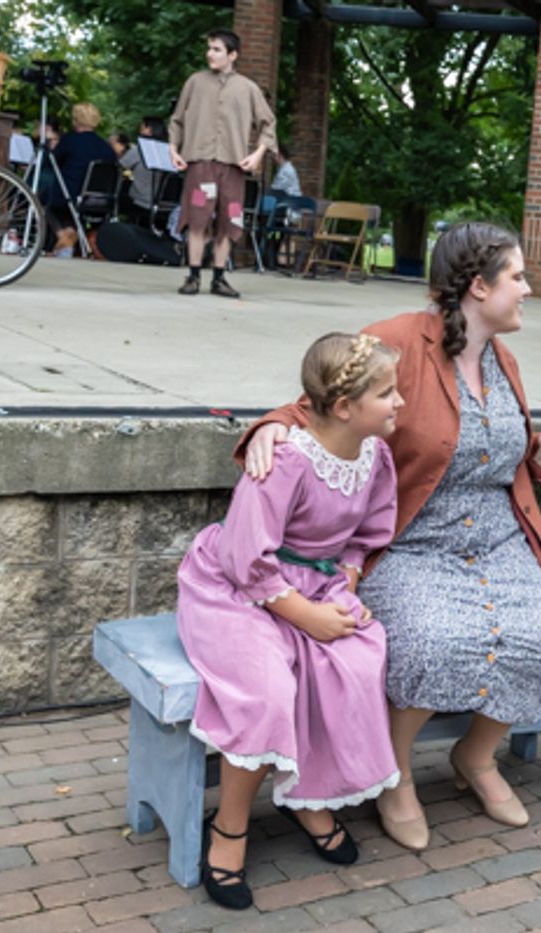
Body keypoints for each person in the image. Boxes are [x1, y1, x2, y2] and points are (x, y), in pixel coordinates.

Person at [238, 222, 541, 850]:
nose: (528, 288)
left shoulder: (506, 360)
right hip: (412, 537)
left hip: (499, 540)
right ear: (478, 286)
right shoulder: (394, 342)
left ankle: (475, 758)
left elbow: (498, 454)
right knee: (432, 641)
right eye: (518, 277)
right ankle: (392, 776)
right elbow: (319, 400)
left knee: (537, 637)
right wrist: (268, 426)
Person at [177, 332, 404, 910]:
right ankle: (229, 828)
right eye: (388, 392)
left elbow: (364, 535)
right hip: (238, 588)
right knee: (268, 689)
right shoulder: (284, 460)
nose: (401, 402)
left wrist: (344, 587)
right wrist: (305, 614)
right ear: (345, 408)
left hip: (315, 584)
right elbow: (244, 556)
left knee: (356, 661)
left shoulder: (374, 454)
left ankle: (308, 795)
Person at [168, 28, 276, 298]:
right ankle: (193, 275)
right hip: (200, 161)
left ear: (232, 55)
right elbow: (177, 119)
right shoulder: (195, 82)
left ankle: (219, 277)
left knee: (230, 220)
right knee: (196, 218)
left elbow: (269, 123)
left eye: (216, 49)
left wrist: (258, 153)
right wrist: (173, 148)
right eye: (209, 48)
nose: (210, 54)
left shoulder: (248, 88)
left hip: (233, 165)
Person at [49, 103, 117, 257]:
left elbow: (53, 162)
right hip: (99, 200)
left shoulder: (69, 141)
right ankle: (70, 236)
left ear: (75, 120)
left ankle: (65, 235)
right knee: (69, 208)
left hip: (71, 195)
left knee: (44, 202)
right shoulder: (106, 147)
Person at [117, 116, 167, 226]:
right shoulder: (167, 150)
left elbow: (119, 167)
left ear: (149, 130)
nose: (140, 129)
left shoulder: (141, 149)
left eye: (142, 127)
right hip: (163, 203)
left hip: (140, 201)